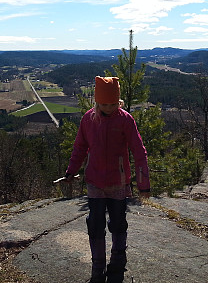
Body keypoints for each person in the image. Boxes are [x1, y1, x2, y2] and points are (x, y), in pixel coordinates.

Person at [65, 76, 150, 283]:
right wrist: (70, 171)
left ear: (118, 101)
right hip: (94, 181)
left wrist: (143, 185)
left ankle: (118, 262)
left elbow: (139, 152)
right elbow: (80, 148)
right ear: (96, 101)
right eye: (104, 104)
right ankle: (98, 267)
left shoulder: (126, 120)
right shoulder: (88, 119)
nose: (109, 107)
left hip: (118, 182)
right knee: (95, 224)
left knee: (119, 222)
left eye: (113, 104)